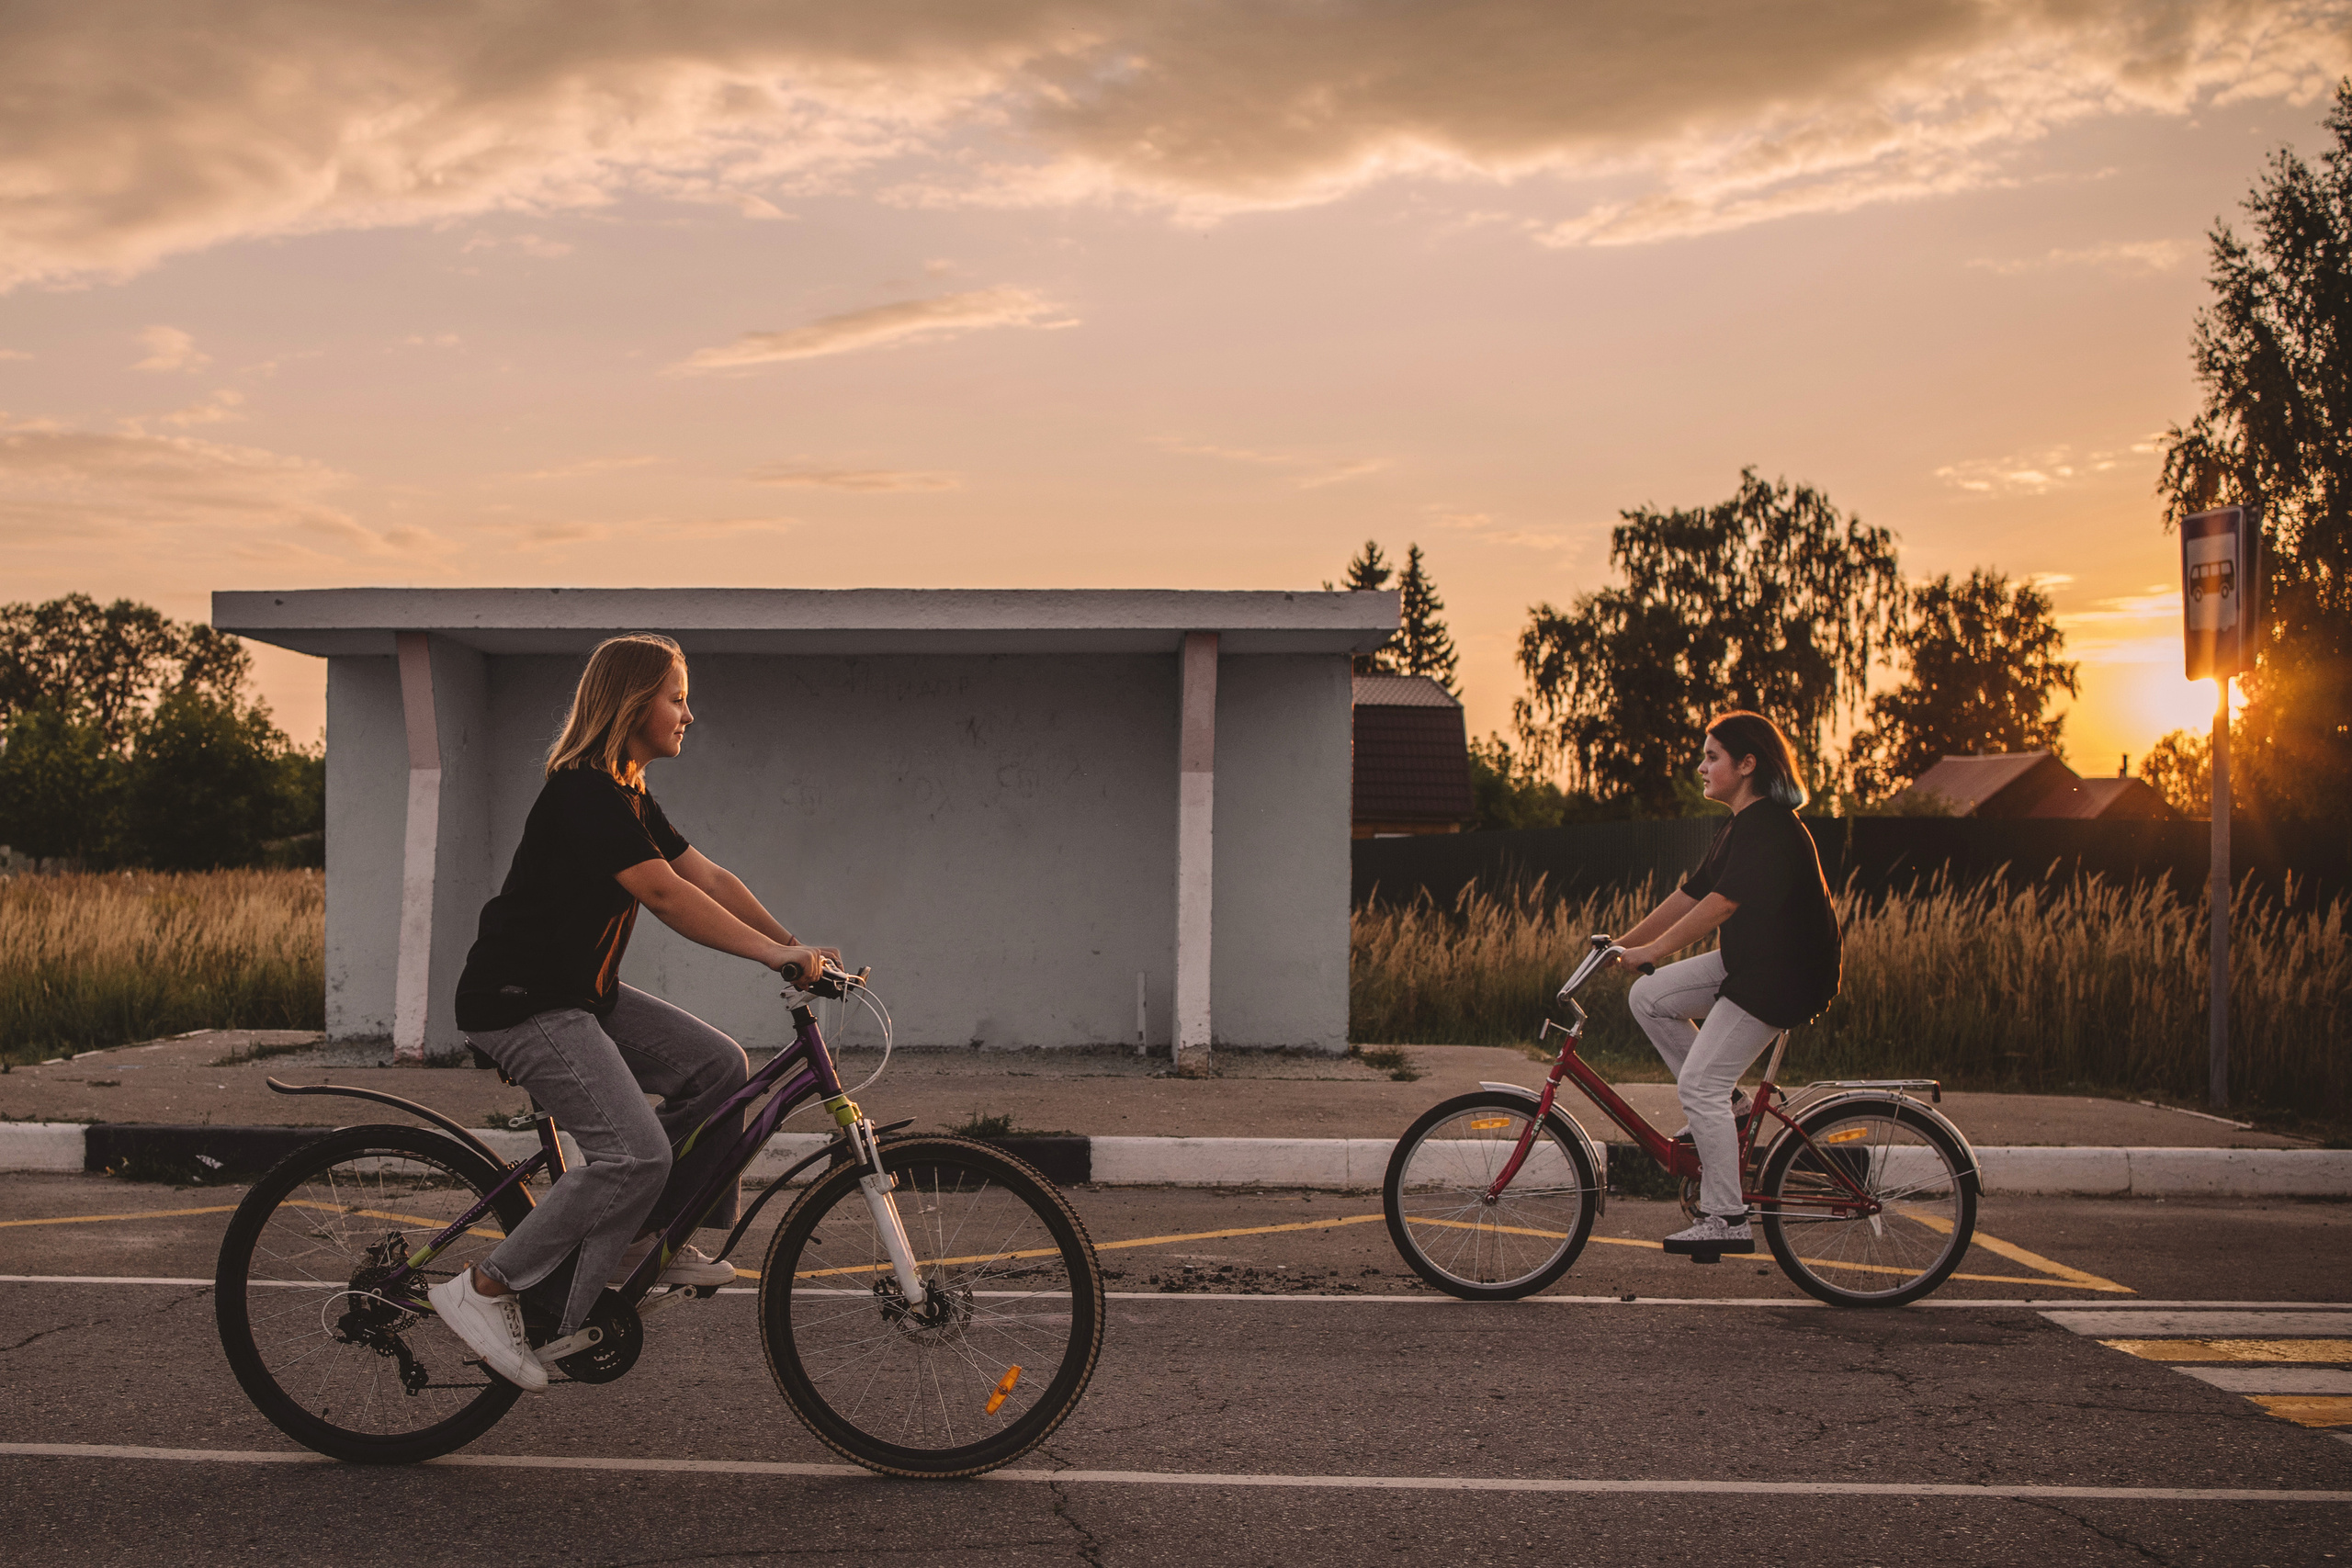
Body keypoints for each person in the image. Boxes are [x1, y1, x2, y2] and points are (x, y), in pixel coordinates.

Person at [427, 634, 837, 1390]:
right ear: (632, 702)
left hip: (582, 993)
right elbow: (666, 894)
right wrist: (769, 956)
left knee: (720, 1068)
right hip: (521, 1000)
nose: (689, 712)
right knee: (635, 1153)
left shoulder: (628, 792)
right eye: (677, 697)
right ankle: (484, 1288)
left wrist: (795, 943)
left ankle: (646, 1233)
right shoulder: (582, 792)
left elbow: (704, 873)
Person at [1605, 711, 1841, 1258]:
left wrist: (1649, 952)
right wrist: (1623, 944)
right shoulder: (1740, 823)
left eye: (1713, 757)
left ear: (1748, 764)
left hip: (1784, 974)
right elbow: (1692, 893)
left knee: (1698, 1086)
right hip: (1751, 962)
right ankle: (1732, 1109)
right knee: (1650, 995)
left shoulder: (1771, 827)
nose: (1701, 767)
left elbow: (1721, 905)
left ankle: (1727, 1216)